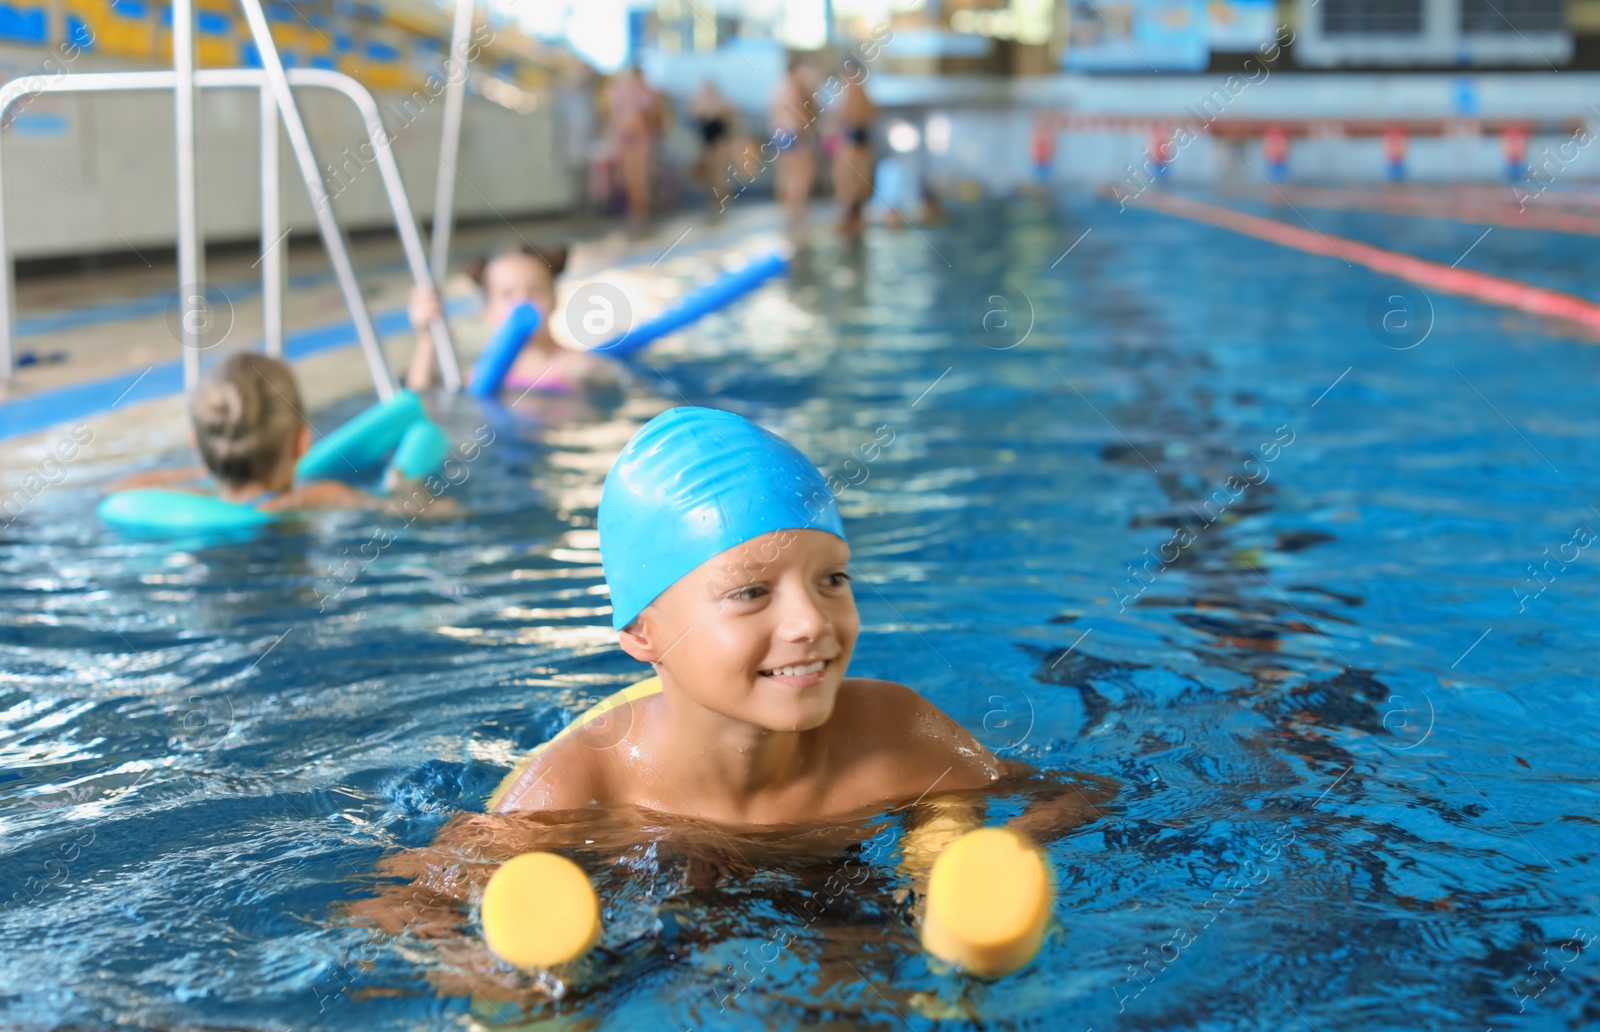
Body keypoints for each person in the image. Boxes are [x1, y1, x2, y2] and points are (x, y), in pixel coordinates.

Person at [491, 407, 1088, 838]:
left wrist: (994, 850)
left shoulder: (898, 734)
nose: (810, 621)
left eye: (832, 580)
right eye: (751, 592)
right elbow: (418, 910)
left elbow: (1075, 797)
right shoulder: (578, 791)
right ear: (642, 633)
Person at [108, 353, 445, 514]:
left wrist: (208, 469)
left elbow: (123, 487)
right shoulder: (317, 496)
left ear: (196, 443)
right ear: (302, 442)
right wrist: (403, 485)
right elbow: (414, 511)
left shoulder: (193, 498)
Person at [406, 245, 621, 397]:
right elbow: (424, 401)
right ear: (487, 310)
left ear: (555, 299)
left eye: (535, 291)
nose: (522, 303)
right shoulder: (480, 375)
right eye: (507, 294)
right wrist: (427, 338)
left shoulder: (577, 367)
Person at [602, 66, 661, 225]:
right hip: (625, 138)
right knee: (628, 177)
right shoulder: (618, 92)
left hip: (641, 137)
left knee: (640, 176)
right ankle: (636, 211)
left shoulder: (646, 93)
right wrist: (613, 139)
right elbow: (614, 118)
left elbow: (651, 116)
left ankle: (642, 211)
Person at [768, 57, 819, 226]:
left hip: (779, 132)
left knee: (786, 173)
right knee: (801, 173)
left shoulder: (778, 86)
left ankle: (788, 208)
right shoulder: (794, 86)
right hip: (794, 131)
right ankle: (796, 208)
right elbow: (798, 113)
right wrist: (809, 133)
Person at [829, 73, 876, 235]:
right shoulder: (863, 93)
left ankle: (849, 221)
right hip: (859, 142)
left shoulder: (850, 90)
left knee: (850, 187)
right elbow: (870, 115)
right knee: (856, 187)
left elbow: (844, 116)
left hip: (851, 142)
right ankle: (854, 221)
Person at [686, 78, 735, 216]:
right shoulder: (698, 103)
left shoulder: (723, 103)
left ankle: (721, 201)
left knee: (719, 173)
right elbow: (692, 115)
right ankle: (712, 201)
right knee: (709, 174)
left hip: (720, 141)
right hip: (706, 142)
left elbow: (729, 120)